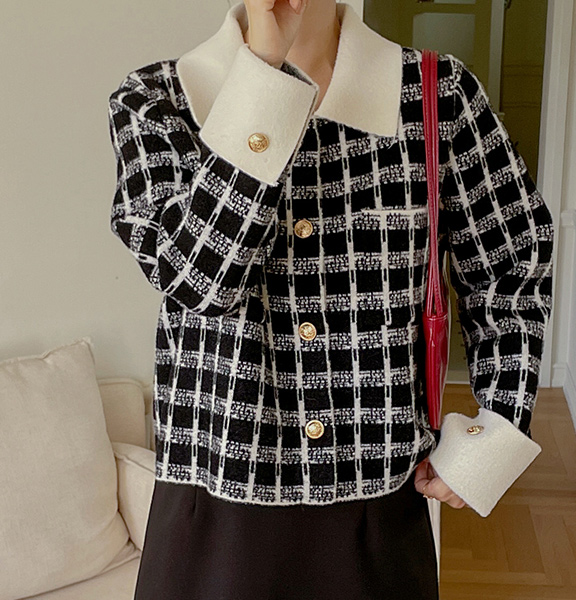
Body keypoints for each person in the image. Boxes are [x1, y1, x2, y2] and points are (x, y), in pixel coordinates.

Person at [107, 1, 554, 598]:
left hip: (376, 508)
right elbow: (199, 282)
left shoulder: (438, 96)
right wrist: (262, 77)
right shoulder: (157, 100)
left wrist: (493, 434)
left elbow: (512, 267)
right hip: (213, 506)